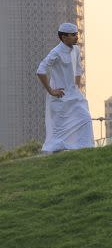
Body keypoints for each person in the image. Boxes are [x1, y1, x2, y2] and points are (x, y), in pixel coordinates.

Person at [35, 22, 95, 153]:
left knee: (85, 118)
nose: (76, 37)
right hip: (60, 97)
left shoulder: (76, 50)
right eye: (73, 35)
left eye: (76, 34)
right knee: (59, 132)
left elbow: (78, 70)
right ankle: (57, 155)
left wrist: (76, 88)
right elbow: (40, 70)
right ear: (63, 37)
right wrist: (50, 91)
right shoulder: (55, 52)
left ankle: (86, 149)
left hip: (74, 95)